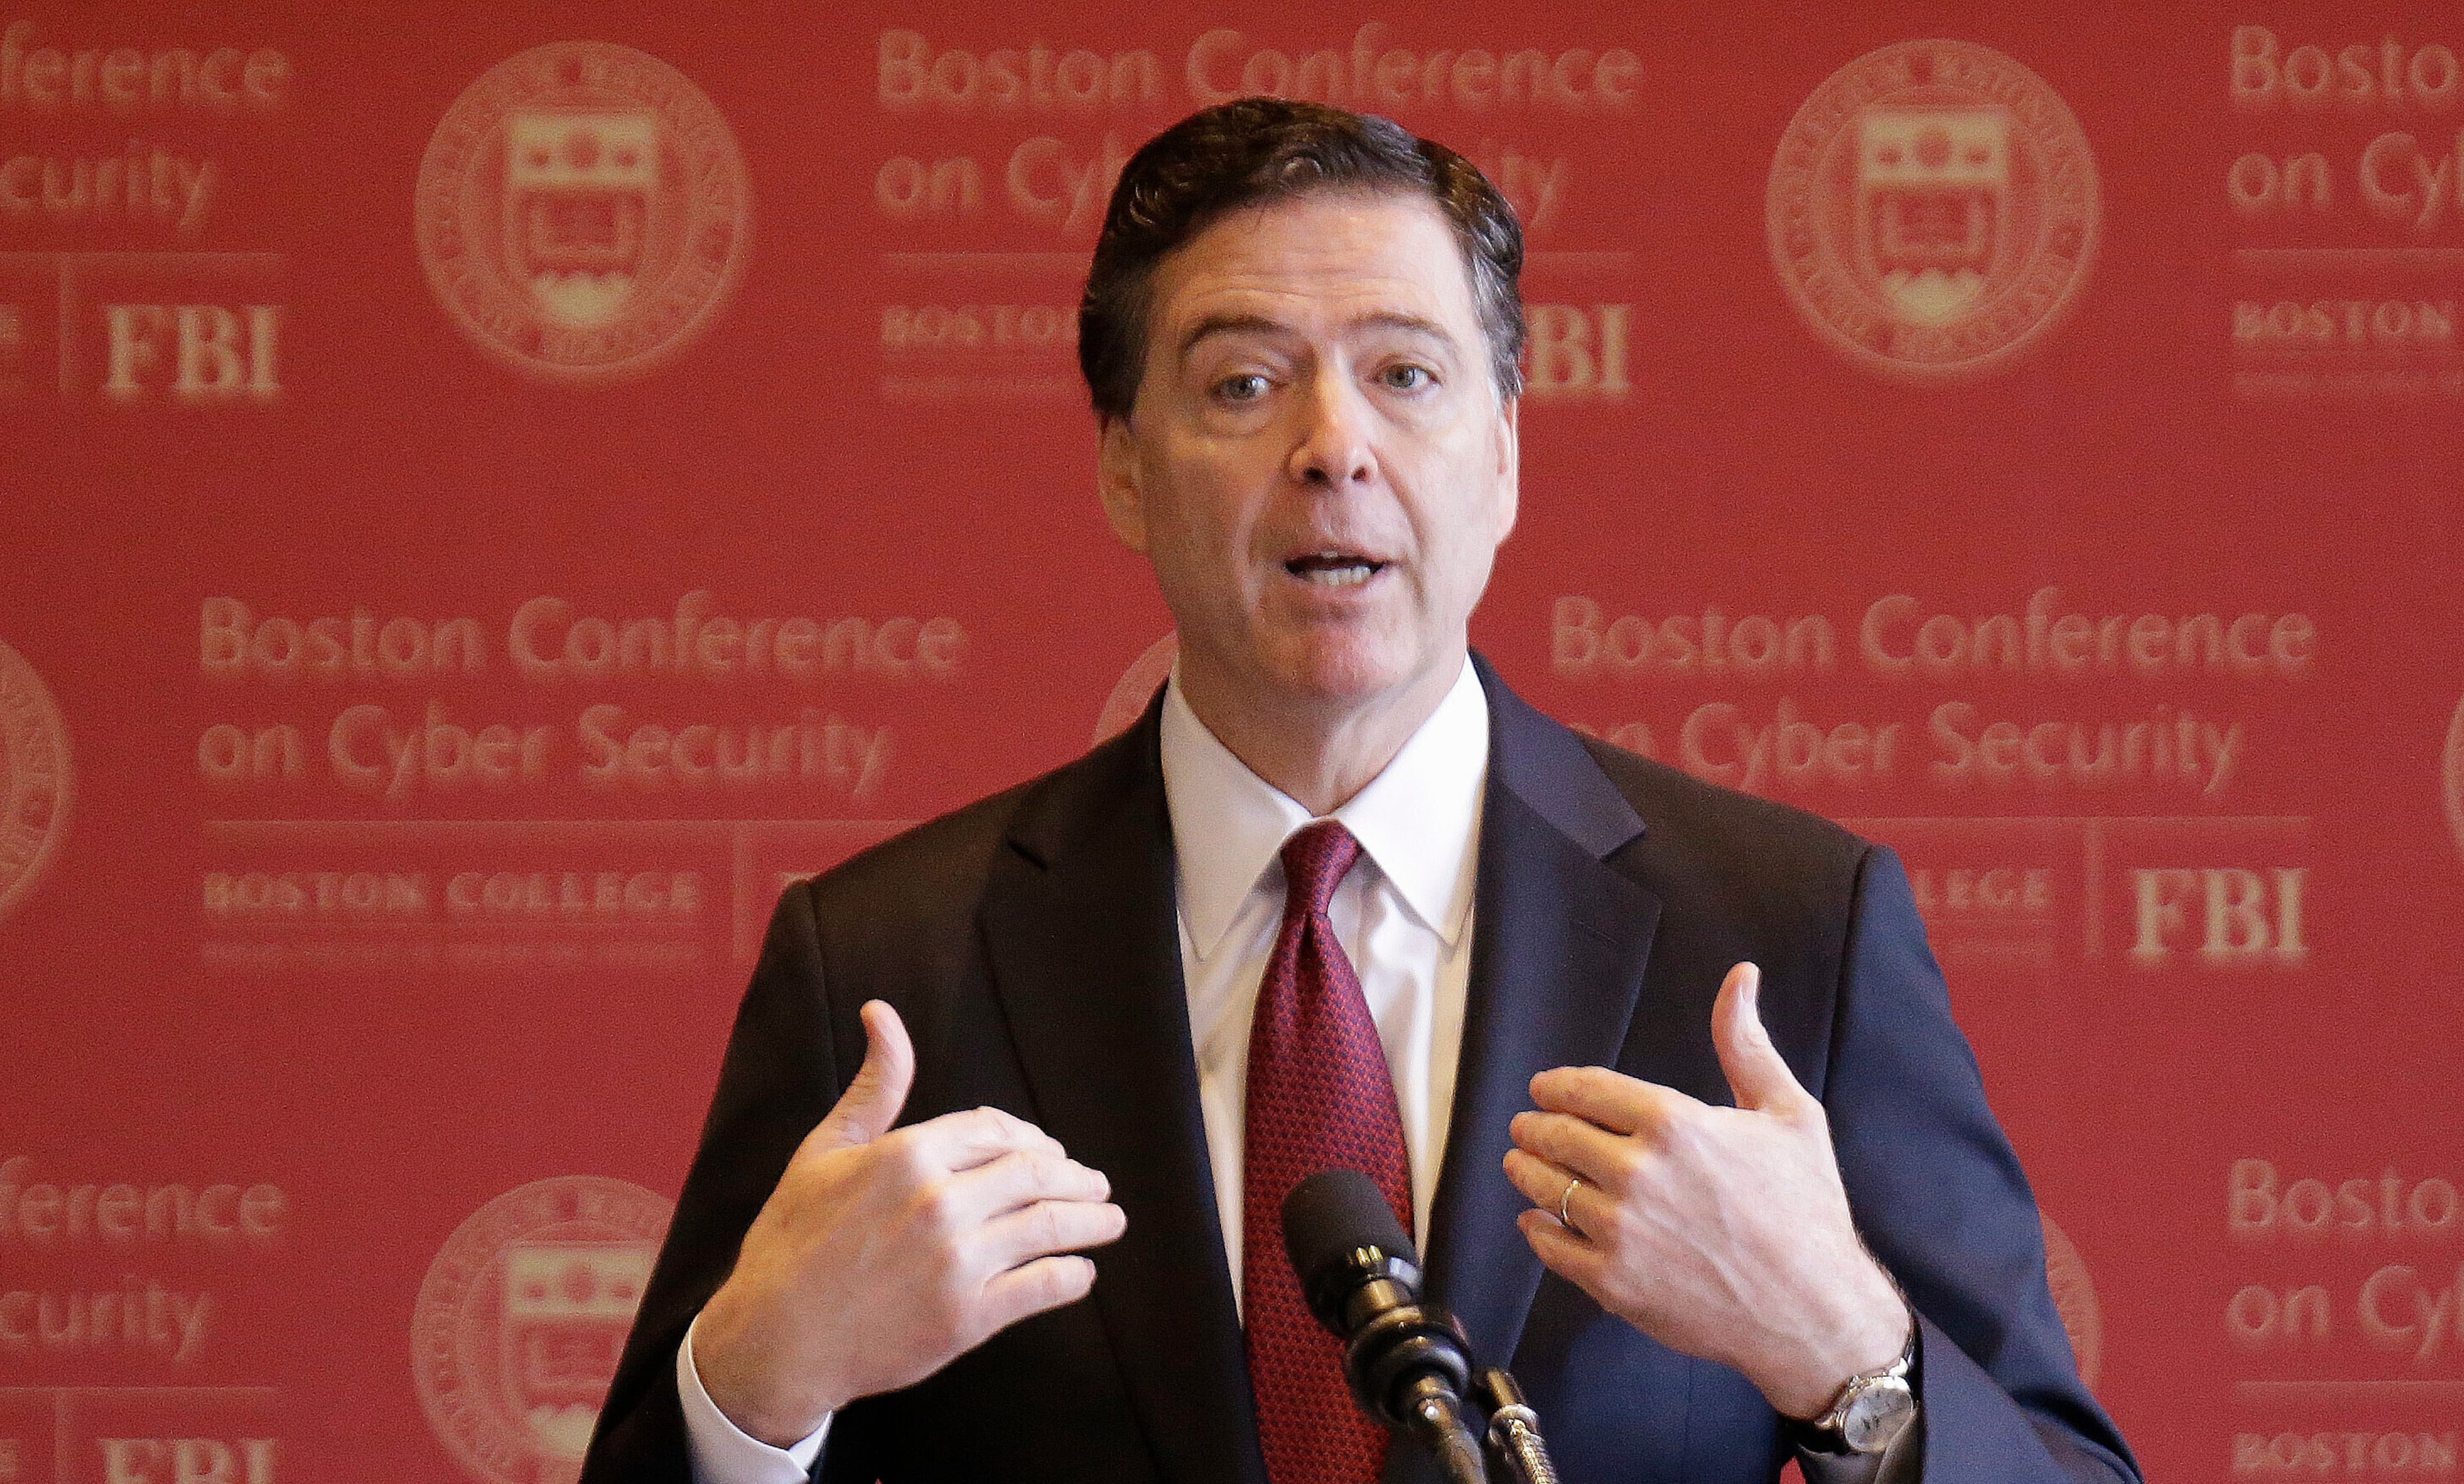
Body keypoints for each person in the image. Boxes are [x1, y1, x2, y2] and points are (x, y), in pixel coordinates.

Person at [582, 99, 2140, 1484]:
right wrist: (758, 1392)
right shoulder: (886, 969)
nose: (1337, 449)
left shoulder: (1788, 933)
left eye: (1406, 373)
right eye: (1246, 385)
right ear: (1122, 467)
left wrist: (1846, 1353)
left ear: (1506, 455)